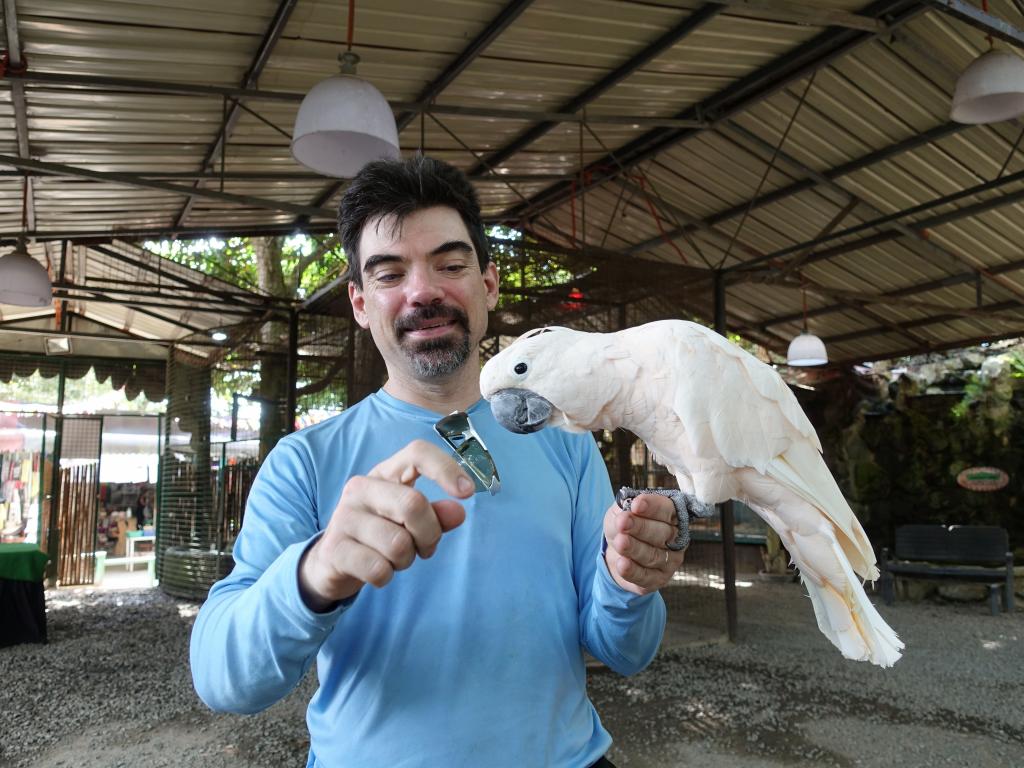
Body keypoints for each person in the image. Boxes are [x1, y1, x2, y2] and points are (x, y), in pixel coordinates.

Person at [190, 156, 688, 768]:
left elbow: (625, 651)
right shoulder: (306, 462)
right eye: (389, 274)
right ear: (359, 303)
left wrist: (629, 580)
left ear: (489, 285)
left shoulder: (566, 440)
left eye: (450, 265)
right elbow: (223, 681)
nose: (423, 291)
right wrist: (315, 573)